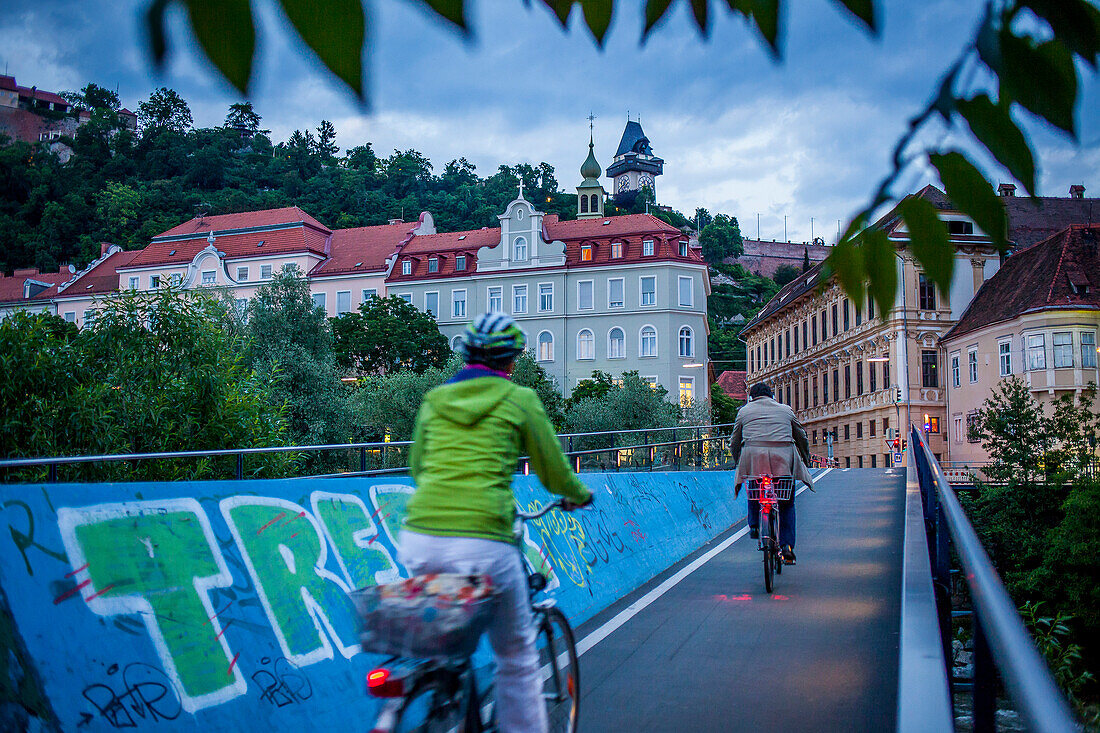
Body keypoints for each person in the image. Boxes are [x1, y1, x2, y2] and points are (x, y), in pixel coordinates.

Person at [399, 312, 593, 733]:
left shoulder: (434, 400)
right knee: (518, 655)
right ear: (511, 361)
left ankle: (440, 686)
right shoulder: (518, 399)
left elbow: (417, 468)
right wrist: (578, 494)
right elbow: (553, 470)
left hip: (420, 538)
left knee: (446, 646)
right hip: (485, 542)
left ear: (467, 354)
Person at [730, 381, 813, 564]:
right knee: (787, 503)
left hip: (754, 460)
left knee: (754, 490)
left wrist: (738, 462)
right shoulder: (785, 410)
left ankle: (754, 526)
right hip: (782, 461)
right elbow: (801, 437)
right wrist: (805, 459)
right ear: (771, 396)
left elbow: (734, 441)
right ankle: (787, 546)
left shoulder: (744, 411)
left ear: (752, 397)